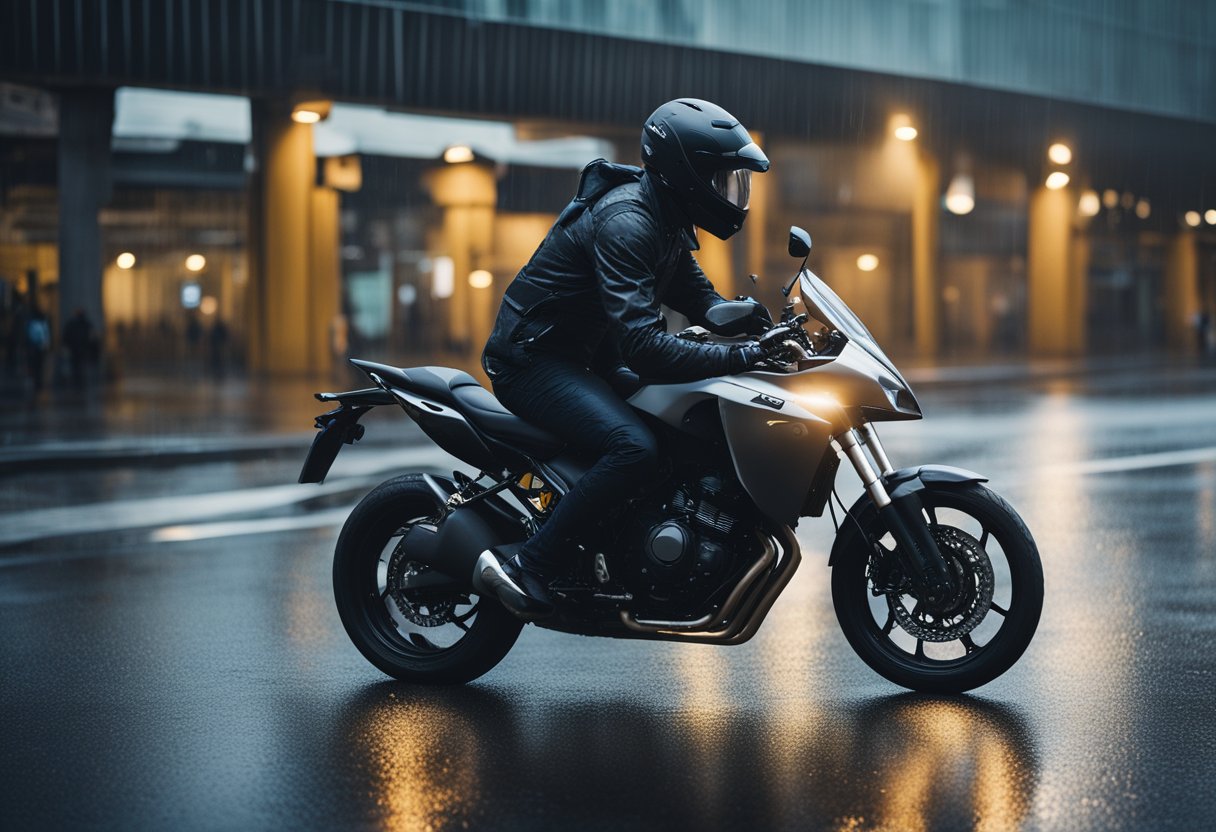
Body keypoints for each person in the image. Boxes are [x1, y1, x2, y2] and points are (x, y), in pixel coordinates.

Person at [480, 98, 784, 617]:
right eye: (722, 179)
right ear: (686, 174)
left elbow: (703, 300)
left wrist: (755, 320)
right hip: (534, 360)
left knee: (676, 430)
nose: (731, 193)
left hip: (586, 359)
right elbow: (644, 348)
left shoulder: (666, 221)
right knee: (634, 447)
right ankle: (530, 565)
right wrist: (745, 357)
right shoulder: (629, 223)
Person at [62, 308, 94, 387]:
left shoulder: (82, 324)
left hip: (79, 349)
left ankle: (79, 382)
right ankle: (78, 382)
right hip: (77, 349)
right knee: (78, 367)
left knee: (79, 367)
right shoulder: (81, 324)